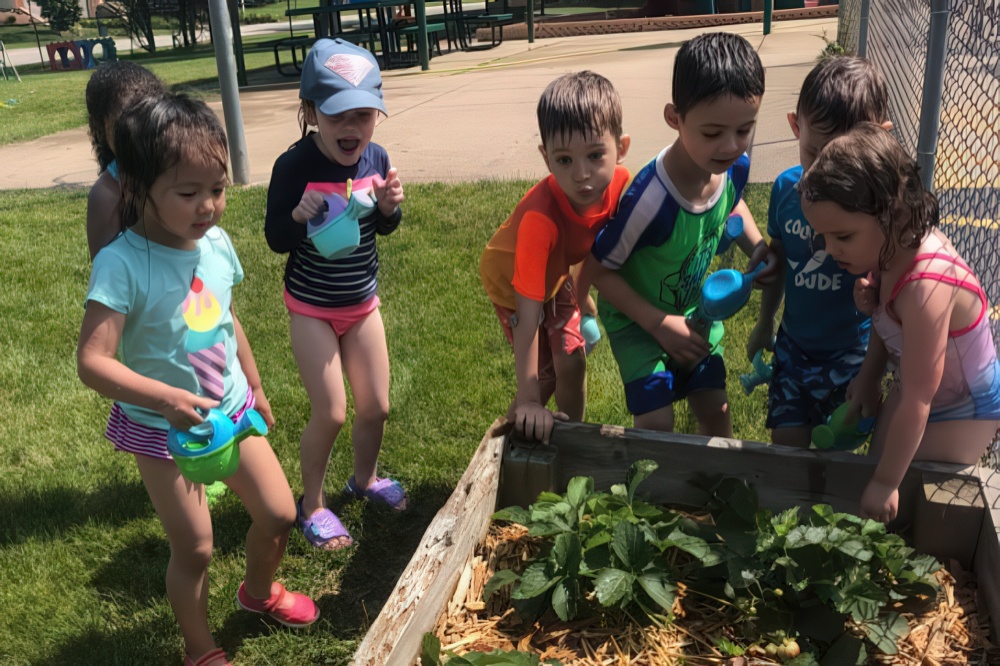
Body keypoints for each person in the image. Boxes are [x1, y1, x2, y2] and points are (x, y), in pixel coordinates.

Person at [77, 92, 318, 666]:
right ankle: (200, 648)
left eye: (218, 188)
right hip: (164, 433)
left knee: (281, 514)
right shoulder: (122, 263)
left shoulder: (215, 245)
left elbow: (226, 318)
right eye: (188, 193)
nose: (208, 205)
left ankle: (257, 595)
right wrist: (164, 399)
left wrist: (255, 388)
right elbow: (93, 361)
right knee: (197, 546)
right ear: (138, 188)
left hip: (231, 413)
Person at [798, 123, 1000, 524]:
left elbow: (919, 399)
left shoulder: (927, 288)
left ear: (894, 213)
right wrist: (870, 377)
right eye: (822, 236)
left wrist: (888, 482)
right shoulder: (890, 252)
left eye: (842, 236)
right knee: (877, 458)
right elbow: (885, 324)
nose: (830, 249)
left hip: (964, 410)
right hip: (921, 392)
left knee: (906, 489)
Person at [589, 32, 774, 436]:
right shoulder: (650, 201)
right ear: (674, 118)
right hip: (638, 323)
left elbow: (733, 200)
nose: (730, 146)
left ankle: (715, 494)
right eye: (712, 133)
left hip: (697, 316)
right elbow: (598, 272)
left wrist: (757, 245)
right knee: (656, 423)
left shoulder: (732, 168)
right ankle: (655, 500)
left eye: (744, 129)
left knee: (716, 410)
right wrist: (658, 325)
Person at [264, 39, 406, 552]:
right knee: (332, 412)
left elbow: (383, 229)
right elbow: (275, 237)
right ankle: (314, 505)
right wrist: (298, 219)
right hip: (312, 308)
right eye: (337, 115)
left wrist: (389, 208)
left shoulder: (377, 157)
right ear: (310, 112)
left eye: (364, 114)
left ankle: (364, 480)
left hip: (361, 302)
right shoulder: (295, 165)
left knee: (376, 405)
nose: (352, 128)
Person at [479, 70, 631, 444]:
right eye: (564, 160)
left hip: (556, 276)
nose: (582, 175)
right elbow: (528, 316)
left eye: (596, 155)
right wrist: (530, 399)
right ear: (546, 158)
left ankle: (569, 439)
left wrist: (582, 293)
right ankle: (509, 445)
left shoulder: (624, 187)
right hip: (513, 285)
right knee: (544, 373)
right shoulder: (539, 221)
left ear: (621, 148)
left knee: (573, 360)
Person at [747, 56, 892, 448]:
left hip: (851, 353)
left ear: (879, 138)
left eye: (842, 162)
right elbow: (781, 260)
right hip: (795, 347)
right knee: (786, 444)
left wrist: (872, 373)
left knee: (839, 451)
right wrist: (764, 323)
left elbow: (888, 292)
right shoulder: (785, 191)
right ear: (796, 126)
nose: (824, 176)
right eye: (814, 154)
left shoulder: (878, 213)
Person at [85, 60, 166, 260]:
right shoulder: (106, 194)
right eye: (125, 127)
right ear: (99, 128)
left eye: (149, 120)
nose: (138, 133)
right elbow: (105, 269)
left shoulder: (177, 166)